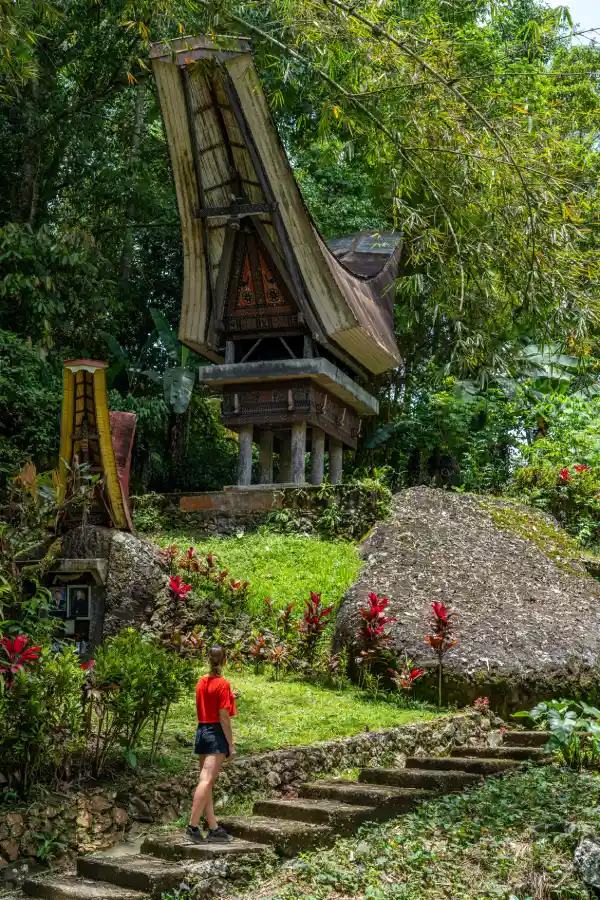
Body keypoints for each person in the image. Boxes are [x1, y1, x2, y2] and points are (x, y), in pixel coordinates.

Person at [187, 646, 237, 844]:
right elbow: (224, 717)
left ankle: (213, 827)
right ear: (224, 660)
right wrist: (231, 745)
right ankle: (193, 826)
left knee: (205, 782)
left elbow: (208, 702)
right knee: (207, 781)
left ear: (208, 660)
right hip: (215, 733)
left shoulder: (201, 682)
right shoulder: (223, 684)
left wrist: (232, 696)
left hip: (202, 731)